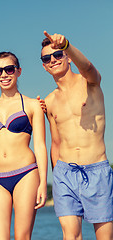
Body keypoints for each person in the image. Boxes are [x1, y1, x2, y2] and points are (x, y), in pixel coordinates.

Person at [41, 31, 113, 240]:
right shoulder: (50, 100)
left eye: (58, 55)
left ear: (68, 57)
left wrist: (67, 45)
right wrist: (56, 176)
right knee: (70, 235)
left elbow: (89, 67)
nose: (53, 60)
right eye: (47, 58)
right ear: (44, 66)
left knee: (105, 237)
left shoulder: (90, 82)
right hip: (65, 173)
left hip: (96, 169)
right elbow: (55, 142)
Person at [0, 52, 48, 239]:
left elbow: (40, 145)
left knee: (22, 236)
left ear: (18, 71)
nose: (3, 74)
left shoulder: (32, 105)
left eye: (9, 69)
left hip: (25, 174)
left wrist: (43, 183)